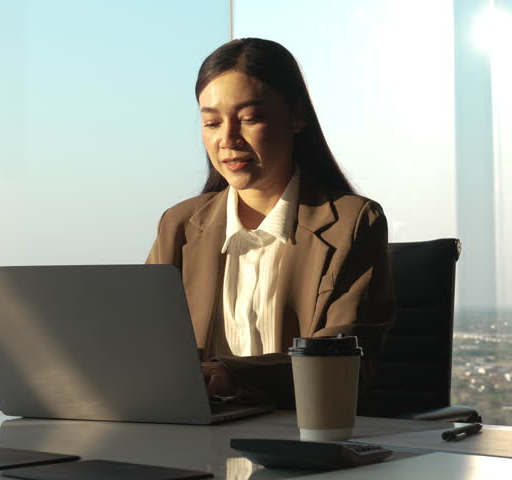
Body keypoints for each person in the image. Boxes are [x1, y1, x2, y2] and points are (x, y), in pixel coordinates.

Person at [146, 38, 395, 413]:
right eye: (211, 122)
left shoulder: (353, 223)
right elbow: (143, 345)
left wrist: (232, 375)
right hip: (193, 436)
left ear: (296, 117)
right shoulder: (179, 225)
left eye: (248, 118)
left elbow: (343, 360)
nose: (227, 138)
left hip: (304, 439)